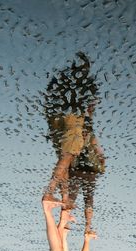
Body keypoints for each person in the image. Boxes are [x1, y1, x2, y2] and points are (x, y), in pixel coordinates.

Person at [43, 52, 99, 209]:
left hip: (54, 118)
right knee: (68, 156)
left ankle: (65, 199)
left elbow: (50, 96)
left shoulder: (62, 79)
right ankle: (49, 192)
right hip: (73, 119)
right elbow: (89, 108)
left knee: (64, 159)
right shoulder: (85, 84)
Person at [69, 103, 105, 233]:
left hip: (76, 169)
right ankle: (88, 227)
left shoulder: (74, 134)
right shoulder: (90, 135)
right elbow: (99, 152)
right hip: (89, 171)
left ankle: (65, 223)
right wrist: (101, 161)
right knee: (88, 199)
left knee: (72, 196)